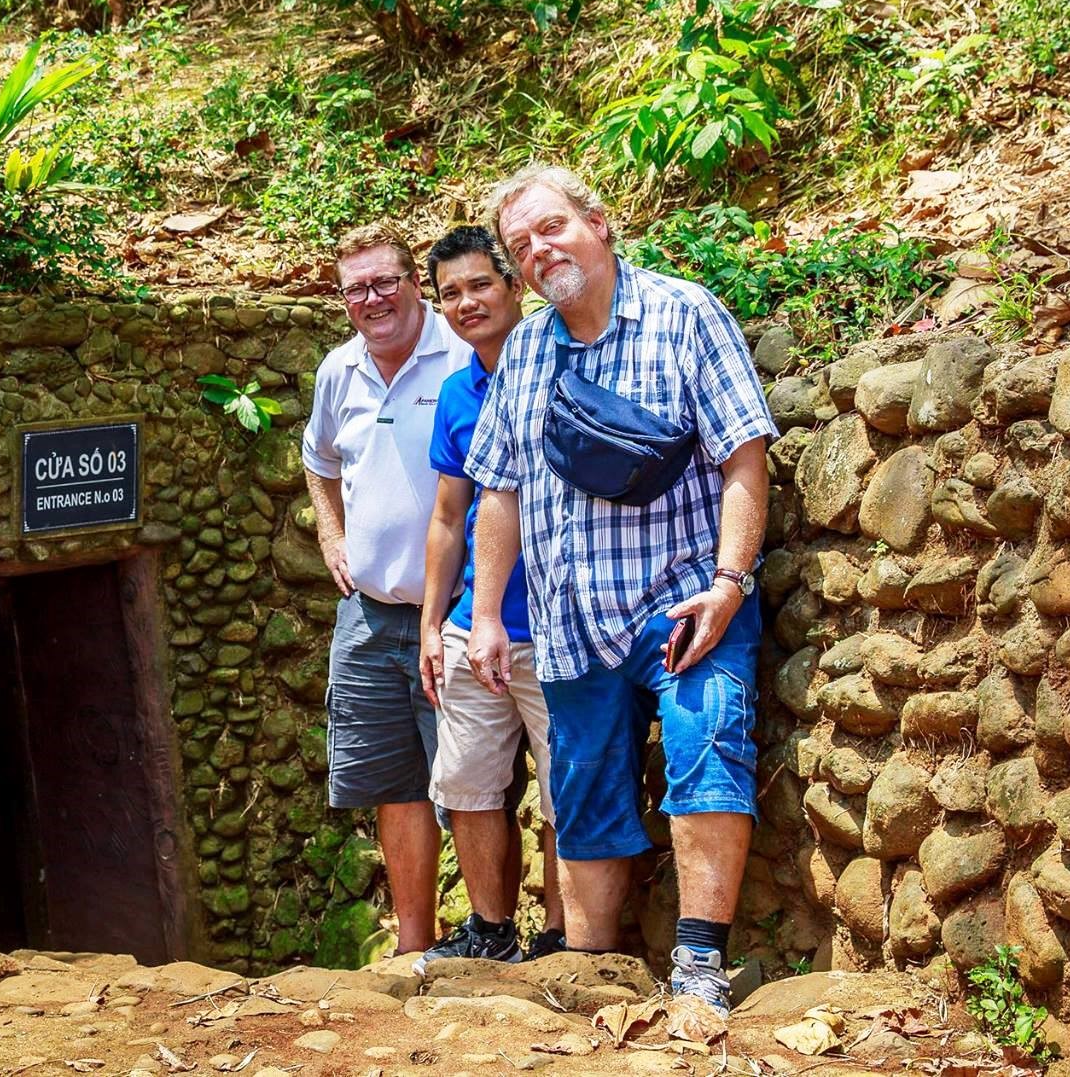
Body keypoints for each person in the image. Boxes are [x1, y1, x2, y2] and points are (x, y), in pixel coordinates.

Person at [463, 162, 775, 1015]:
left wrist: (728, 581)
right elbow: (500, 489)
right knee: (586, 794)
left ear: (599, 222)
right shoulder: (526, 347)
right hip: (568, 627)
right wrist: (487, 611)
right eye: (521, 244)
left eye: (551, 227)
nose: (538, 251)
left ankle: (700, 965)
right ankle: (594, 975)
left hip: (681, 601)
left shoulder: (683, 314)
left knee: (707, 741)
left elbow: (744, 454)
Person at [301, 222, 472, 957]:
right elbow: (318, 460)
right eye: (355, 289)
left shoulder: (465, 356)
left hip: (458, 614)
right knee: (395, 784)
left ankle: (496, 935)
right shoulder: (340, 371)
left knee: (472, 780)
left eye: (384, 281)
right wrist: (331, 537)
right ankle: (414, 946)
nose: (372, 299)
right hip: (368, 618)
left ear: (414, 281)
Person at [414, 226, 565, 971]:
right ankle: (489, 926)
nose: (467, 301)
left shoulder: (568, 363)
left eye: (480, 284)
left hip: (563, 623)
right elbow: (448, 518)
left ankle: (564, 933)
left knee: (563, 786)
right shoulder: (455, 393)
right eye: (450, 292)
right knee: (469, 782)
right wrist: (430, 623)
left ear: (513, 285)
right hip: (478, 626)